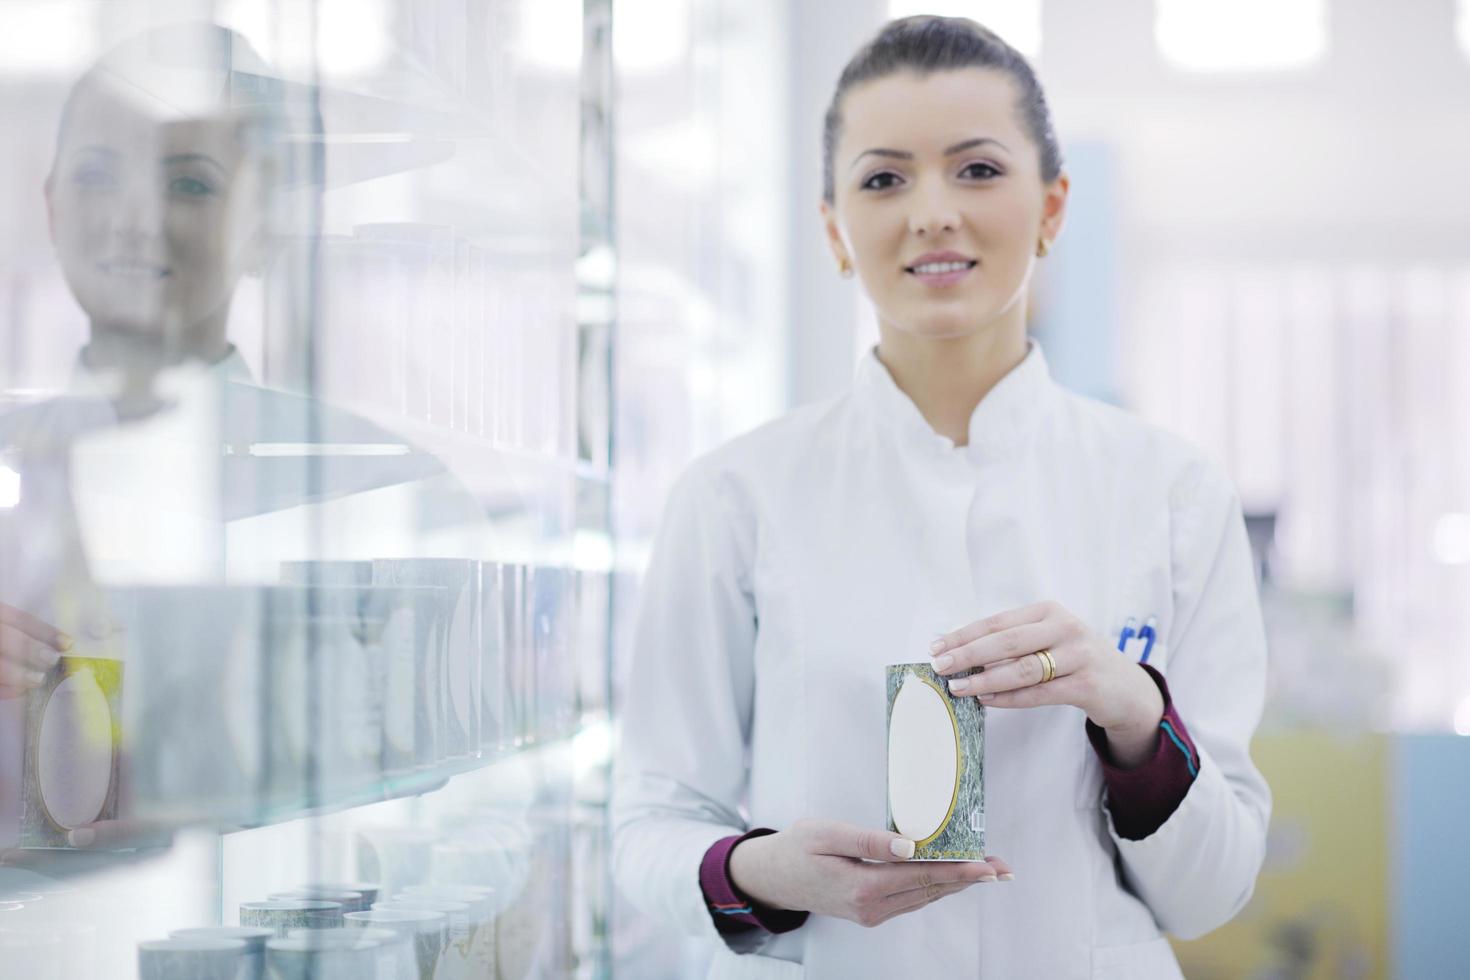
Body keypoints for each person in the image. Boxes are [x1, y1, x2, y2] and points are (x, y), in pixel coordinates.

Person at [612, 16, 1269, 980]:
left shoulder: (1172, 491)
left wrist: (1132, 713)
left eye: (977, 170)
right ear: (836, 229)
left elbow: (1214, 891)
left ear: (1052, 207)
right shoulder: (732, 495)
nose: (931, 212)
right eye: (884, 179)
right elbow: (648, 825)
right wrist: (763, 871)